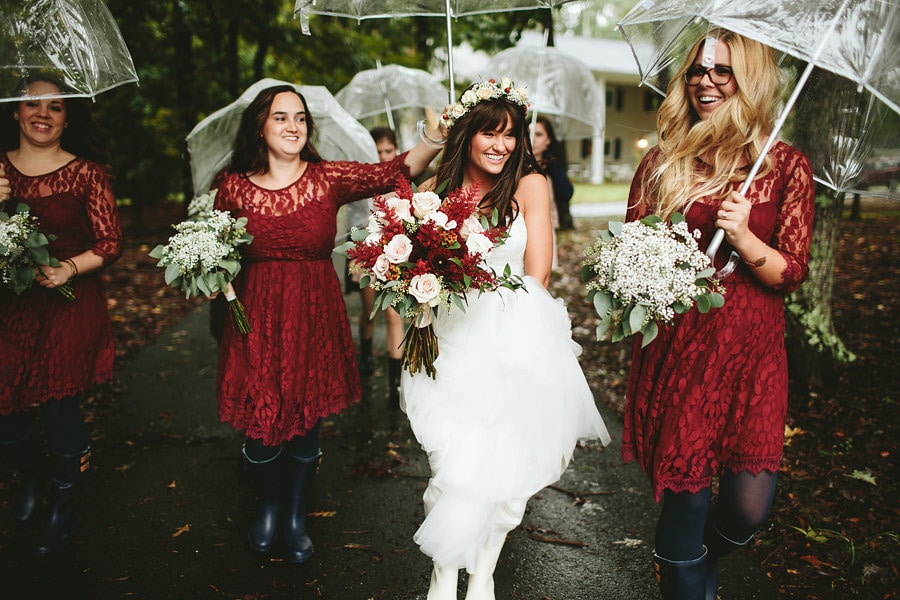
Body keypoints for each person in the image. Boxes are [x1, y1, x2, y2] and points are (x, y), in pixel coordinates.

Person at [211, 85, 446, 563]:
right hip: (255, 316)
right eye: (280, 118)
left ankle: (295, 515)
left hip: (313, 312)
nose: (293, 126)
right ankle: (268, 507)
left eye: (299, 117)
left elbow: (394, 170)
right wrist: (212, 274)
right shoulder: (232, 185)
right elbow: (218, 252)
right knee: (260, 424)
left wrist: (434, 136)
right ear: (260, 125)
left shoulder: (326, 178)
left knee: (304, 422)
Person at [622, 30, 815, 599]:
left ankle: (686, 564)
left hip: (754, 354)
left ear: (748, 80)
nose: (705, 82)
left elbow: (791, 272)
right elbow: (632, 247)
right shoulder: (664, 160)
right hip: (686, 347)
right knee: (686, 499)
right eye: (697, 72)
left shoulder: (785, 165)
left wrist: (743, 236)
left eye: (722, 72)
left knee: (748, 508)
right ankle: (683, 570)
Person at [401, 79, 610, 599]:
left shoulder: (531, 186)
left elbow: (539, 269)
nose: (501, 145)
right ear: (467, 133)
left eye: (511, 135)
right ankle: (444, 572)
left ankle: (485, 573)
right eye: (490, 133)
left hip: (515, 334)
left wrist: (511, 330)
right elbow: (410, 259)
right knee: (454, 467)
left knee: (504, 474)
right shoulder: (436, 192)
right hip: (448, 337)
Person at [0, 77, 123, 557]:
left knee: (57, 405)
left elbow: (111, 243)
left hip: (70, 302)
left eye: (56, 107)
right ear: (15, 111)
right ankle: (31, 477)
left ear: (68, 119)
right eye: (33, 103)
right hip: (12, 306)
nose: (43, 113)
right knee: (5, 407)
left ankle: (63, 505)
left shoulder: (86, 174)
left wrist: (68, 268)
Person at [345, 126, 406, 400]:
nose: (382, 156)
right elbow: (353, 223)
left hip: (397, 253)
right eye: (378, 151)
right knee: (370, 310)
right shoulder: (363, 181)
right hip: (368, 254)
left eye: (388, 151)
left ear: (396, 150)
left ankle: (395, 381)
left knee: (394, 314)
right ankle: (366, 353)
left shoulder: (402, 181)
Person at [530, 114, 574, 231]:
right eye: (528, 133)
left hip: (546, 229)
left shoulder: (552, 166)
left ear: (548, 140)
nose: (532, 139)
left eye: (538, 134)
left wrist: (550, 162)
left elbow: (566, 193)